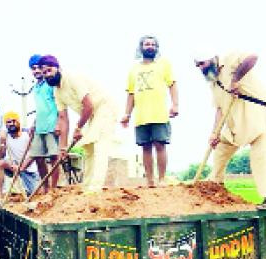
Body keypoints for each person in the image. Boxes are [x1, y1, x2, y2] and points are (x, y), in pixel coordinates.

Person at [194, 51, 266, 207]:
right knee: (220, 147)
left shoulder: (230, 59)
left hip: (256, 113)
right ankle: (215, 182)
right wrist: (214, 133)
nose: (200, 68)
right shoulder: (214, 83)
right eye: (197, 65)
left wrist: (235, 80)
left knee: (261, 155)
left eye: (202, 64)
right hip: (235, 121)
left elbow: (253, 57)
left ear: (212, 59)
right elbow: (219, 109)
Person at [38, 54, 121, 192]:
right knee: (88, 148)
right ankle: (87, 187)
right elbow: (63, 118)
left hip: (104, 107)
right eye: (44, 73)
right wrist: (63, 148)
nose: (47, 75)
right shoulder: (57, 92)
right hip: (91, 116)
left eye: (49, 70)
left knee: (100, 145)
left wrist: (78, 128)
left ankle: (95, 189)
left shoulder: (72, 78)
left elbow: (88, 105)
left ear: (57, 68)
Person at [120, 36, 179, 187]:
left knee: (160, 144)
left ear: (156, 48)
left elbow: (172, 84)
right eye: (147, 44)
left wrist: (175, 104)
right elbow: (131, 93)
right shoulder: (134, 69)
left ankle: (162, 179)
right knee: (145, 146)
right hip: (141, 115)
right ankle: (150, 181)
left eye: (153, 44)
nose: (150, 46)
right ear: (141, 47)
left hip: (159, 113)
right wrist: (127, 114)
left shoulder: (164, 64)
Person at [28, 54, 61, 193]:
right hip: (39, 127)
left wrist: (59, 122)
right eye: (33, 69)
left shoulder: (50, 84)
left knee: (54, 157)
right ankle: (45, 187)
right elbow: (40, 108)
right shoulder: (36, 87)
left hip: (52, 126)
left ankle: (53, 189)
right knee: (38, 157)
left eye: (38, 68)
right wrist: (34, 124)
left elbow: (59, 104)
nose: (36, 71)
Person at [0, 112, 41, 199]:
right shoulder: (5, 137)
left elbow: (34, 155)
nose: (11, 124)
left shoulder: (27, 134)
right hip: (14, 167)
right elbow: (0, 156)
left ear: (18, 122)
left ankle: (26, 192)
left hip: (28, 170)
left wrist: (21, 168)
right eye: (8, 122)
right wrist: (2, 143)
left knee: (36, 195)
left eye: (14, 121)